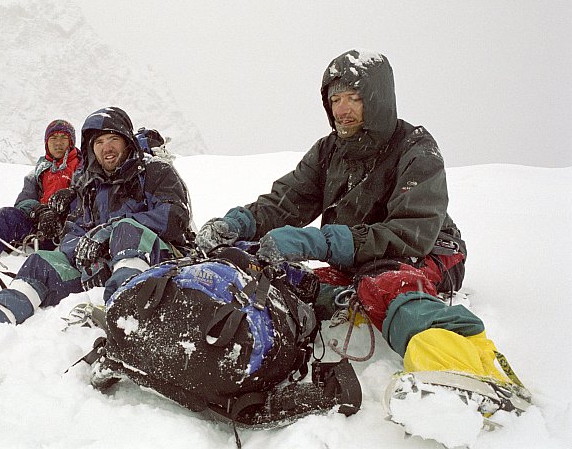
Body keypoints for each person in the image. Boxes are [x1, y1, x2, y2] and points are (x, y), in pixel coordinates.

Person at [196, 50, 517, 386]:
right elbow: (286, 202)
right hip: (356, 260)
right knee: (294, 285)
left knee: (385, 284)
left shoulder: (416, 148)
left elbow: (410, 234)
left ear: (377, 100)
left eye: (353, 98)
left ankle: (466, 370)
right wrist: (237, 224)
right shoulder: (328, 150)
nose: (342, 110)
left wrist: (317, 242)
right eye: (335, 99)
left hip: (429, 252)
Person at [0, 106, 192, 327]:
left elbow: (174, 216)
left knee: (127, 230)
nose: (106, 148)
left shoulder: (156, 172)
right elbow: (74, 230)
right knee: (42, 262)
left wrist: (110, 232)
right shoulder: (91, 186)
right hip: (107, 267)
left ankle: (125, 314)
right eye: (99, 142)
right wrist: (86, 255)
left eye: (113, 139)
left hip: (160, 259)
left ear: (127, 141)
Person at [0, 119, 81, 258]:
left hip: (69, 230)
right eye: (53, 138)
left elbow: (90, 195)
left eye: (63, 138)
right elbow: (23, 201)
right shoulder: (38, 171)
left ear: (71, 141)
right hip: (39, 228)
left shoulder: (83, 167)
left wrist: (65, 206)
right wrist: (39, 211)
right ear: (46, 143)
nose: (58, 143)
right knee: (6, 215)